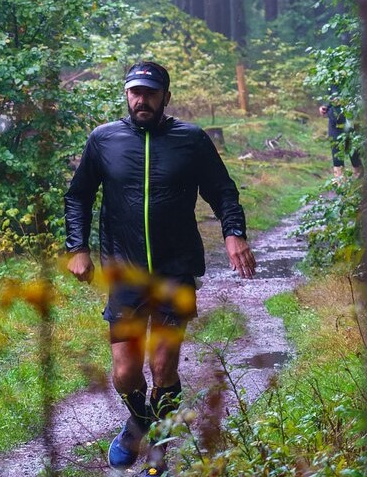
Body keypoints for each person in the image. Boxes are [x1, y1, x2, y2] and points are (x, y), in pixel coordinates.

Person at [64, 61, 256, 472]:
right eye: (135, 92)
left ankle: (158, 453)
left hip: (175, 269)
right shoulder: (104, 140)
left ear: (166, 97)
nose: (142, 100)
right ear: (126, 95)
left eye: (150, 93)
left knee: (163, 366)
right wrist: (76, 247)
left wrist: (234, 232)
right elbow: (78, 195)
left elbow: (222, 191)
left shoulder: (191, 140)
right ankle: (139, 424)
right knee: (124, 372)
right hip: (125, 273)